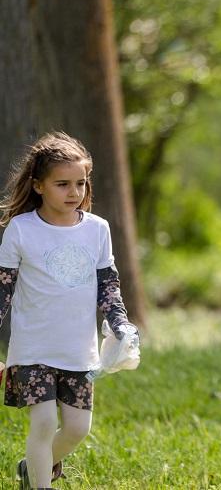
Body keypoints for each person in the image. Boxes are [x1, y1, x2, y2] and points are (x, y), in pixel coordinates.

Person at [0, 131, 137, 490]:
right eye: (62, 184)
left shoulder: (97, 230)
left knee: (78, 429)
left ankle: (34, 467)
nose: (74, 192)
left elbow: (108, 285)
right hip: (33, 349)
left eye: (80, 182)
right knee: (43, 423)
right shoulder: (21, 229)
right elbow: (3, 290)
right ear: (38, 186)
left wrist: (120, 324)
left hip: (78, 350)